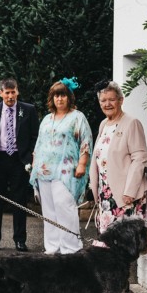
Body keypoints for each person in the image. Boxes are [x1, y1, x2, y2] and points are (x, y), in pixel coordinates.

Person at [29, 77, 92, 254]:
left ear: (69, 97)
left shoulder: (77, 117)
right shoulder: (47, 119)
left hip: (66, 170)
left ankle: (70, 248)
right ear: (52, 98)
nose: (59, 99)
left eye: (63, 95)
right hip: (44, 171)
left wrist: (82, 163)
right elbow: (39, 143)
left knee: (65, 207)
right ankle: (52, 247)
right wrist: (34, 165)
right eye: (56, 96)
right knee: (49, 211)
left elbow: (85, 141)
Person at [0, 77, 40, 252]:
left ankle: (20, 240)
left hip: (19, 160)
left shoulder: (28, 110)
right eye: (6, 92)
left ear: (17, 91)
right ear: (0, 93)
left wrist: (29, 158)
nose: (10, 96)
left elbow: (34, 136)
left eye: (13, 92)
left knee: (19, 201)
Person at [89, 80, 147, 232]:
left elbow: (140, 158)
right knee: (106, 239)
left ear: (121, 100)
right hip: (106, 193)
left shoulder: (131, 123)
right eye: (103, 100)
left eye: (111, 99)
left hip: (124, 195)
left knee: (123, 243)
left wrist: (130, 191)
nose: (107, 104)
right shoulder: (103, 124)